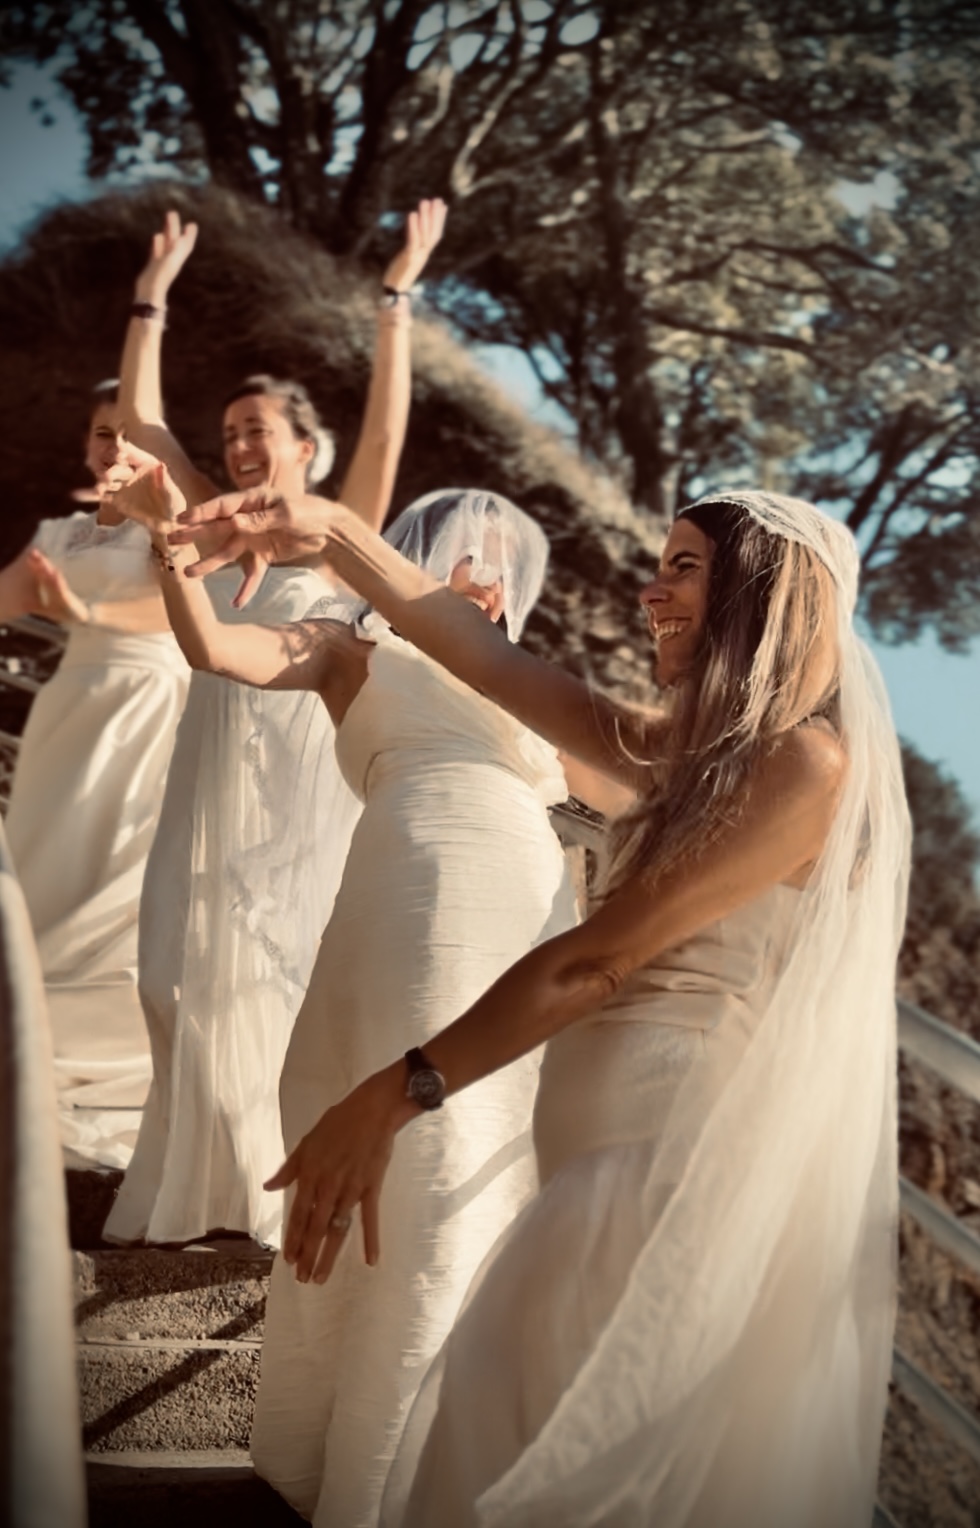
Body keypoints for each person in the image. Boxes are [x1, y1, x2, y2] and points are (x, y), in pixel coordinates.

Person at [171, 483, 911, 1527]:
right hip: (589, 1171)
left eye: (683, 567)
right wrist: (332, 531)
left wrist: (393, 1092)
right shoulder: (680, 758)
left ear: (762, 592)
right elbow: (488, 661)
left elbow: (594, 964)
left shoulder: (804, 765)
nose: (649, 591)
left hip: (656, 1184)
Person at [114, 472, 579, 1523]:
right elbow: (214, 650)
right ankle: (356, 1461)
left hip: (526, 885)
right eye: (466, 553)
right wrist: (171, 548)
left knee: (490, 1143)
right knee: (421, 1140)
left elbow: (630, 782)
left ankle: (435, 1452)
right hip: (413, 877)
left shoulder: (523, 680)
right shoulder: (347, 648)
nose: (485, 575)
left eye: (504, 567)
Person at [103, 200, 446, 1248]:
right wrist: (149, 300)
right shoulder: (210, 523)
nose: (241, 444)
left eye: (260, 430)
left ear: (307, 445)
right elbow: (138, 431)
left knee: (279, 970)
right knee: (171, 965)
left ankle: (268, 1190)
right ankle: (191, 1186)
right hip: (204, 767)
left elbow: (387, 426)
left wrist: (396, 297)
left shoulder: (340, 536)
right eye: (230, 435)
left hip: (303, 781)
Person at [1, 381, 189, 1168]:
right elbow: (10, 593)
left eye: (126, 432)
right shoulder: (60, 530)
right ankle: (19, 1036)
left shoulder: (170, 523)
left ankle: (99, 1070)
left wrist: (86, 615)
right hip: (69, 708)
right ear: (86, 446)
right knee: (45, 874)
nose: (112, 446)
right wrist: (41, 602)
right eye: (100, 433)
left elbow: (180, 612)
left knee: (118, 885)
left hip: (150, 708)